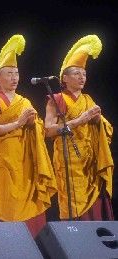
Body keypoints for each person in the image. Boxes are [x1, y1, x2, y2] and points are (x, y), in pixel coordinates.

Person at [0, 35, 56, 237]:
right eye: (9, 74)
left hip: (26, 163)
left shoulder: (24, 101)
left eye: (16, 73)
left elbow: (40, 128)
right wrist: (18, 123)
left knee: (32, 204)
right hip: (5, 163)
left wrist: (34, 124)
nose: (14, 78)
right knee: (8, 206)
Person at [44, 35, 113, 221]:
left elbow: (106, 129)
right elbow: (48, 130)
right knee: (73, 203)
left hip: (89, 161)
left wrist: (98, 120)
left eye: (84, 74)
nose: (82, 77)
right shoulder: (56, 100)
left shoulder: (88, 100)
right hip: (68, 160)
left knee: (95, 205)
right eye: (76, 74)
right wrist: (79, 121)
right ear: (64, 78)